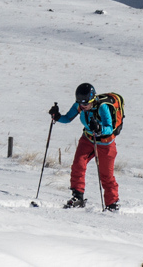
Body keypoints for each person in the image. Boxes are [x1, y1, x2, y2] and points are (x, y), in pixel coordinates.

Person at [50, 82, 120, 211]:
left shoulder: (102, 107)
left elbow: (110, 128)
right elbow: (67, 118)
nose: (83, 106)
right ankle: (78, 197)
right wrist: (57, 116)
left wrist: (99, 129)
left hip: (105, 143)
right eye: (81, 103)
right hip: (87, 139)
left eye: (86, 103)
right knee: (78, 165)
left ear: (92, 99)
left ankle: (112, 203)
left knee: (106, 175)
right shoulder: (79, 105)